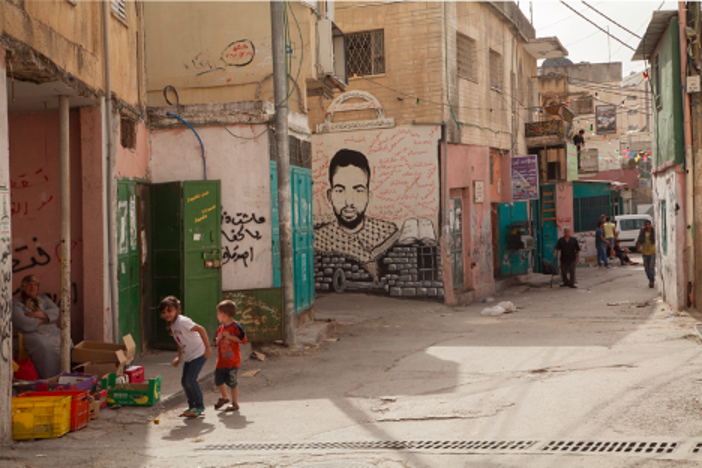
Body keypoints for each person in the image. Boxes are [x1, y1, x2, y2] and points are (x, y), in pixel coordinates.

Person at [314, 149, 401, 276]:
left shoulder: (387, 233)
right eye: (340, 190)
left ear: (368, 195)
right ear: (329, 195)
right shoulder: (318, 240)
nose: (349, 201)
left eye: (358, 190)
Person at [159, 296, 212, 418]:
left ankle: (199, 406)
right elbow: (180, 342)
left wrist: (208, 349)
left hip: (199, 353)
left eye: (169, 310)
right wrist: (179, 357)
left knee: (190, 379)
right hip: (189, 355)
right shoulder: (172, 325)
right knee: (185, 381)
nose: (167, 314)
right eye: (164, 312)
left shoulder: (182, 321)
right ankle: (192, 407)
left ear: (177, 309)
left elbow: (201, 329)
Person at [12, 274, 63, 379]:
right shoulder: (17, 303)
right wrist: (45, 318)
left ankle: (63, 374)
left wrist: (37, 314)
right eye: (29, 284)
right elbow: (23, 322)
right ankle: (47, 378)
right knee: (44, 346)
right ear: (23, 287)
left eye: (35, 285)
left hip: (50, 331)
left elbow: (56, 311)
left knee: (66, 341)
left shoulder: (43, 299)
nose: (32, 287)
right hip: (30, 333)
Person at [213, 300, 247, 412]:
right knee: (218, 381)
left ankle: (235, 403)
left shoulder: (235, 326)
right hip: (221, 361)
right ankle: (224, 397)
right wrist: (218, 339)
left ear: (223, 314)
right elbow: (215, 342)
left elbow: (243, 339)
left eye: (218, 313)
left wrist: (229, 337)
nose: (217, 316)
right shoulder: (220, 328)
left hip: (233, 360)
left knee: (232, 382)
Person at [636, 220, 656, 288]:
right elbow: (639, 241)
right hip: (644, 252)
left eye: (648, 224)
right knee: (646, 268)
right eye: (646, 224)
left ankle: (652, 281)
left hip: (653, 252)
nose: (647, 226)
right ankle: (650, 278)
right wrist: (638, 248)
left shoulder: (654, 232)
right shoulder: (642, 232)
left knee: (651, 267)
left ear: (650, 225)